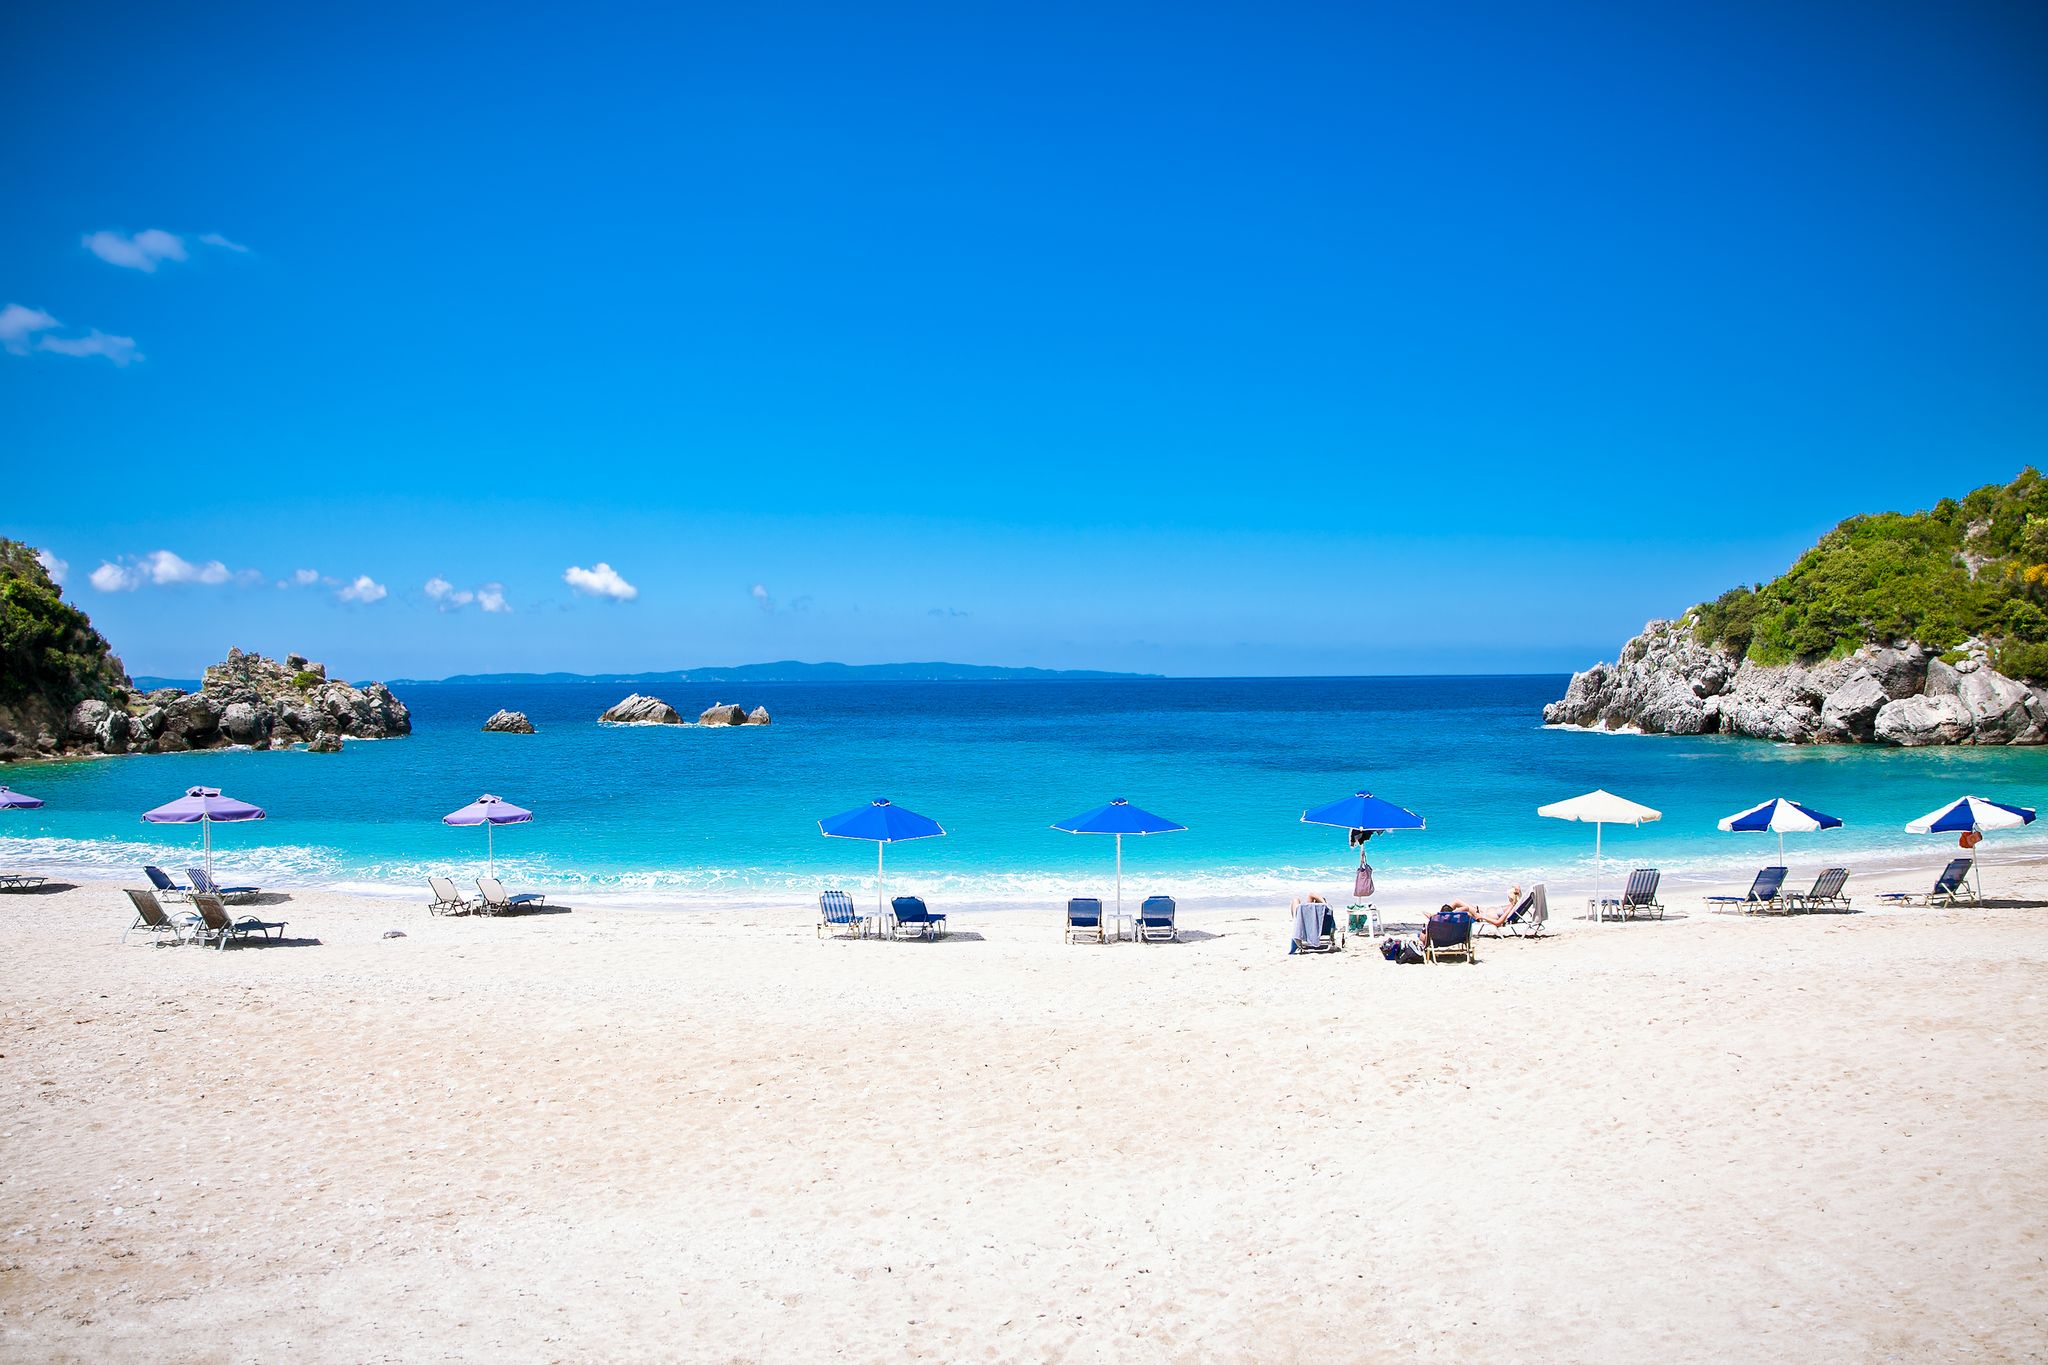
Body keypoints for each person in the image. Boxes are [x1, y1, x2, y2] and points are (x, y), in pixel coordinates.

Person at [1443, 885, 1523, 928]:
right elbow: (1517, 887)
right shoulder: (1515, 904)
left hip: (1480, 916)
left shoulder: (1511, 907)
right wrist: (1517, 889)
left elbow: (1498, 923)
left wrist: (1482, 917)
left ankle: (1443, 917)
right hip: (1480, 912)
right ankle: (1444, 916)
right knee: (1458, 904)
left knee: (1457, 902)